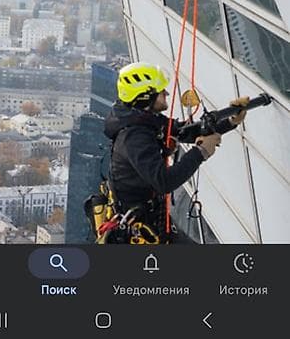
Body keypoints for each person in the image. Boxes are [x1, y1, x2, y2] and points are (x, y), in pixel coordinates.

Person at [104, 61, 248, 243]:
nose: (167, 93)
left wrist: (230, 121)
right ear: (145, 97)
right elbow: (164, 181)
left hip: (152, 218)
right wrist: (200, 152)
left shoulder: (143, 119)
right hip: (143, 230)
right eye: (161, 91)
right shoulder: (134, 138)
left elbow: (182, 131)